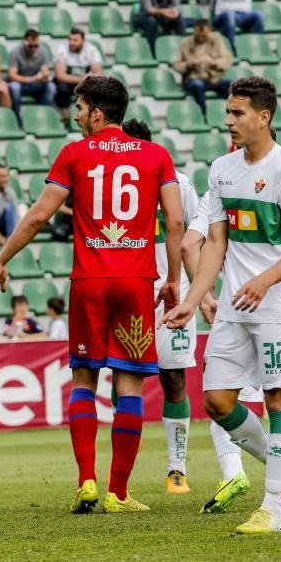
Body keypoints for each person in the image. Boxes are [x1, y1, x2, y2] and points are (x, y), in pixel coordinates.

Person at [0, 75, 185, 514]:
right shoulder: (156, 156)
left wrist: (2, 259)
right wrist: (173, 278)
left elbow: (39, 215)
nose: (76, 117)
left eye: (79, 109)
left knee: (84, 379)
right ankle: (118, 492)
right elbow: (174, 221)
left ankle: (86, 482)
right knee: (129, 384)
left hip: (90, 281)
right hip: (136, 280)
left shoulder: (74, 154)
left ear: (97, 112)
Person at [162, 76, 281, 534]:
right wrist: (192, 299)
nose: (228, 121)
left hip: (277, 307)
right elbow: (215, 245)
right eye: (228, 112)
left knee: (277, 399)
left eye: (238, 113)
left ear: (263, 117)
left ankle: (272, 508)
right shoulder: (223, 169)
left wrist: (265, 281)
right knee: (217, 401)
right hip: (232, 307)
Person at [187, 184, 281, 515]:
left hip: (237, 308)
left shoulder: (224, 186)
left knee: (224, 396)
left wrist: (205, 297)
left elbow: (189, 245)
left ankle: (236, 473)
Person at [120, 118, 200, 494]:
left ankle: (176, 467)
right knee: (123, 381)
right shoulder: (112, 183)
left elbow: (193, 238)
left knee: (173, 378)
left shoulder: (179, 184)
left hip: (175, 287)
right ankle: (120, 473)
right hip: (128, 287)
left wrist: (196, 290)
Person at [172, 20, 233, 116]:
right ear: (194, 31)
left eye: (203, 35)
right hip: (194, 78)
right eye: (198, 35)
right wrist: (188, 64)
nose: (200, 37)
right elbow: (175, 65)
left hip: (213, 79)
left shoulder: (216, 39)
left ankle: (228, 112)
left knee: (234, 86)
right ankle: (202, 114)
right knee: (198, 85)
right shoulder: (185, 42)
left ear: (209, 31)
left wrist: (213, 62)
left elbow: (227, 61)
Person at [54, 28, 105, 123]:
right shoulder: (62, 49)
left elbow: (98, 74)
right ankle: (67, 121)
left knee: (98, 88)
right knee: (61, 88)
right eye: (70, 39)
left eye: (75, 40)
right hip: (68, 83)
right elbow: (60, 76)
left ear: (83, 41)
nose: (71, 42)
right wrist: (82, 79)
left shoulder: (91, 50)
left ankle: (93, 120)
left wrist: (86, 80)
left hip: (85, 83)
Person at [8, 29, 57, 125]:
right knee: (14, 87)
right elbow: (12, 76)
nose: (33, 49)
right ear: (24, 42)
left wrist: (45, 75)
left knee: (51, 86)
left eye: (36, 46)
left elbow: (44, 69)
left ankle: (43, 117)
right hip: (21, 84)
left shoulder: (42, 51)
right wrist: (31, 79)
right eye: (30, 46)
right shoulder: (15, 52)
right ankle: (17, 121)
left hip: (35, 83)